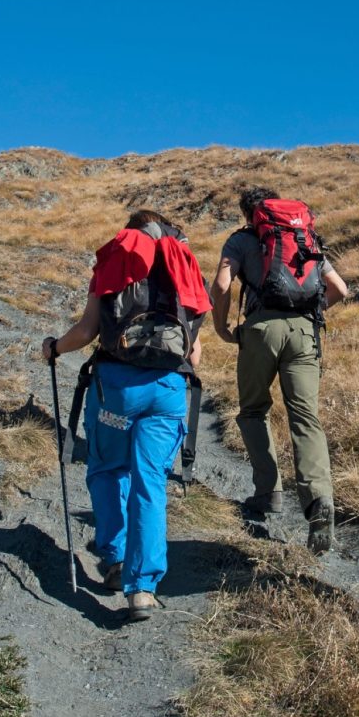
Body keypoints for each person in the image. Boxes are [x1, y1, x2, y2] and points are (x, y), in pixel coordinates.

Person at [42, 209, 210, 621]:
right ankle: (143, 589)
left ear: (130, 233)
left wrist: (54, 348)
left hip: (117, 392)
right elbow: (194, 353)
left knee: (108, 469)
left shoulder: (115, 262)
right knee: (150, 482)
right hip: (168, 391)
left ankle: (116, 560)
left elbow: (87, 331)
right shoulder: (184, 266)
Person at [211, 186, 347, 553]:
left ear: (249, 214)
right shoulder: (303, 237)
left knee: (253, 410)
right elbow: (340, 288)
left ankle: (268, 492)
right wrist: (310, 314)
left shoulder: (242, 240)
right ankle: (319, 500)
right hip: (304, 333)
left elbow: (222, 284)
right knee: (305, 417)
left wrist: (222, 327)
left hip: (260, 331)